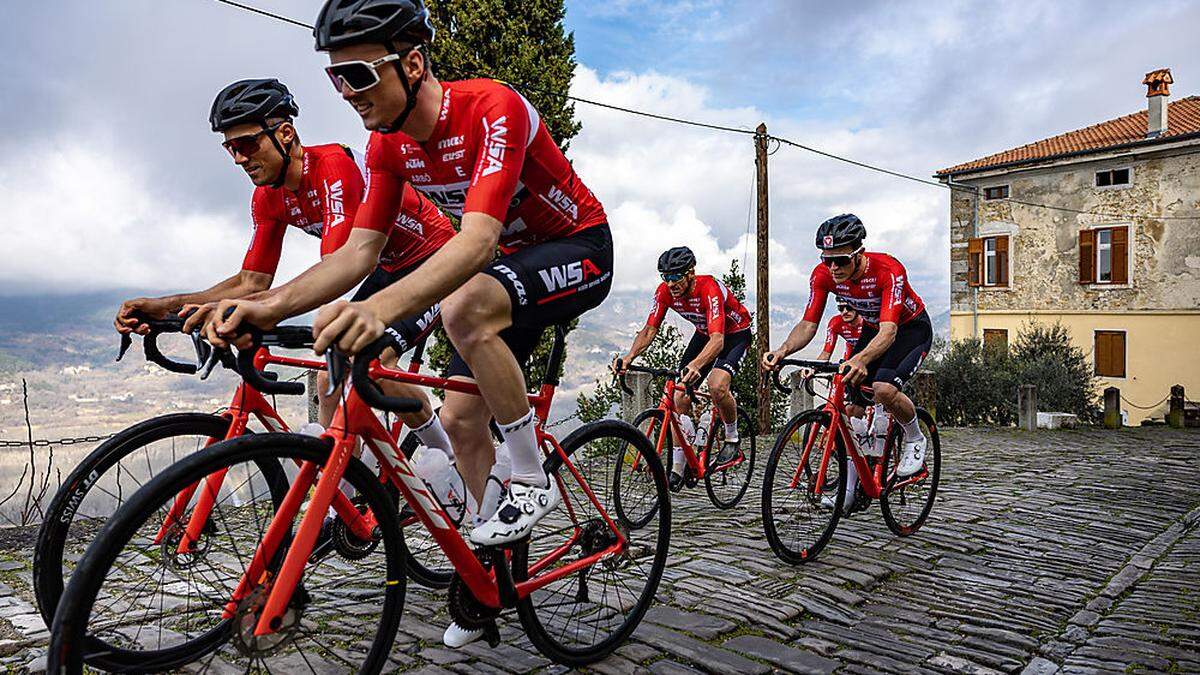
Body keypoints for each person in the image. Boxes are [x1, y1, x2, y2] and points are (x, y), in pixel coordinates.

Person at [203, 3, 612, 646]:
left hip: (578, 248)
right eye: (337, 79)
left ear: (413, 63)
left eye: (359, 76)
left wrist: (377, 310)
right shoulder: (386, 146)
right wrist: (268, 307)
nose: (346, 94)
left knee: (463, 306)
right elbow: (359, 255)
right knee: (456, 419)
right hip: (509, 270)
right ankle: (490, 575)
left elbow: (474, 243)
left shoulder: (490, 108)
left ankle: (532, 477)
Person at [122, 77, 457, 453]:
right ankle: (342, 499)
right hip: (389, 266)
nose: (238, 158)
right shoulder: (268, 197)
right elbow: (251, 281)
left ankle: (445, 461)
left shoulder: (333, 168)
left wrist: (258, 309)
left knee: (372, 356)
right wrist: (167, 306)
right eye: (229, 147)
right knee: (330, 380)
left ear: (284, 133)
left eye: (247, 144)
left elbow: (339, 267)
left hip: (435, 257)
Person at [762, 214, 932, 481]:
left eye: (840, 260)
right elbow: (808, 325)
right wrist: (783, 351)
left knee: (883, 388)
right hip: (873, 329)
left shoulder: (888, 270)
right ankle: (852, 486)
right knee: (850, 405)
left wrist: (861, 359)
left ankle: (914, 437)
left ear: (859, 253)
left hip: (909, 329)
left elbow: (890, 331)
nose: (833, 268)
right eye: (826, 260)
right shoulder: (824, 275)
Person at [613, 247, 751, 491]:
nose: (670, 283)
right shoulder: (665, 292)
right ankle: (679, 466)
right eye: (665, 277)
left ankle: (732, 438)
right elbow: (649, 330)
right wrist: (629, 356)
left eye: (676, 276)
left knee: (717, 385)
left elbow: (718, 340)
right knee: (679, 395)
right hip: (704, 334)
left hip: (733, 335)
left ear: (691, 274)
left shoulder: (708, 289)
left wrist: (697, 364)